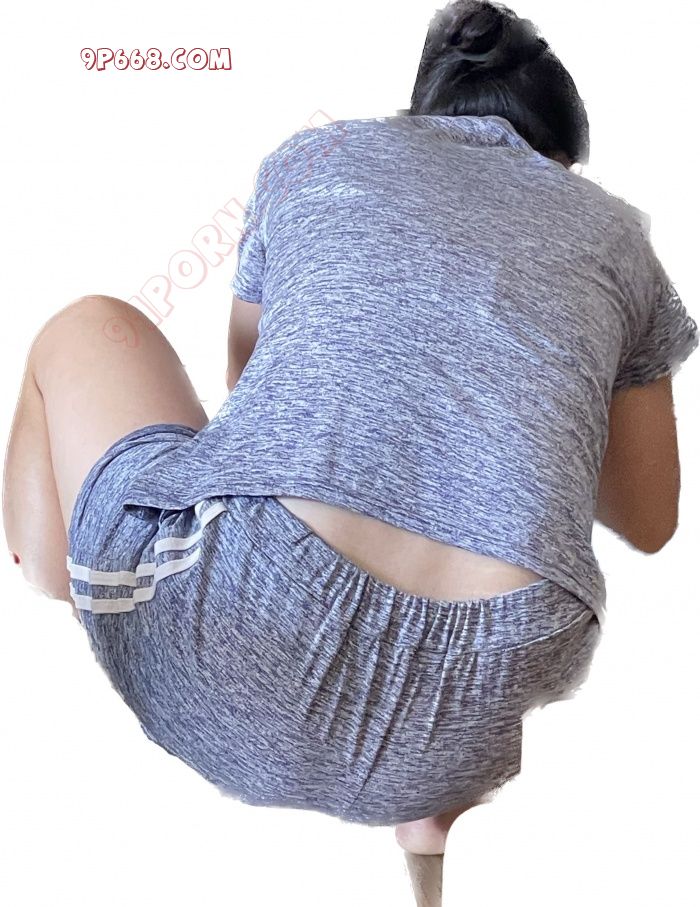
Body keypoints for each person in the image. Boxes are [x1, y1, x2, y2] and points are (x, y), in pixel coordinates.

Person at [3, 2, 698, 905]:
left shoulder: (318, 157)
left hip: (238, 640)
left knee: (88, 325)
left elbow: (249, 391)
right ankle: (426, 807)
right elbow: (650, 518)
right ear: (562, 157)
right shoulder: (618, 235)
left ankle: (64, 571)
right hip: (491, 687)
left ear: (425, 112)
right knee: (473, 556)